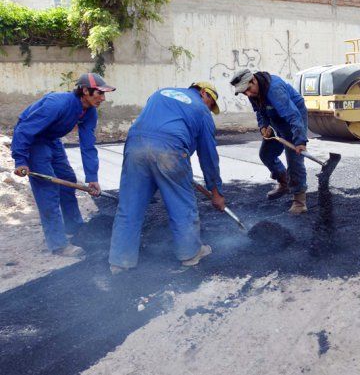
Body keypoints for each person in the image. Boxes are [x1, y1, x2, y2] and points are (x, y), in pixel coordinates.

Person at [108, 82, 225, 273]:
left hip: (135, 146)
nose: (209, 108)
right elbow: (208, 156)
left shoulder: (160, 93)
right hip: (169, 150)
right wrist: (216, 192)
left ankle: (120, 260)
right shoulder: (202, 111)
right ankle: (190, 254)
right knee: (181, 203)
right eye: (211, 103)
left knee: (130, 204)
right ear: (204, 93)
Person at [11, 73, 116, 256]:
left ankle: (75, 228)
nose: (103, 98)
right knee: (48, 189)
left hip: (52, 139)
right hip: (35, 141)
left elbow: (88, 145)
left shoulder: (89, 111)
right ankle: (58, 244)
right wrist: (20, 159)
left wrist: (92, 177)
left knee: (68, 179)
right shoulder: (58, 103)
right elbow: (24, 130)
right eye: (99, 93)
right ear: (85, 91)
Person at [230, 68, 309, 214]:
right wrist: (263, 126)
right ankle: (284, 182)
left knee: (294, 159)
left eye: (248, 89)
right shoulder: (252, 92)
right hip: (275, 118)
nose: (248, 94)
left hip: (294, 118)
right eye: (244, 92)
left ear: (253, 80)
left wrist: (299, 141)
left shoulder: (274, 89)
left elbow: (293, 115)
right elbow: (259, 112)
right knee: (266, 154)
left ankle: (299, 201)